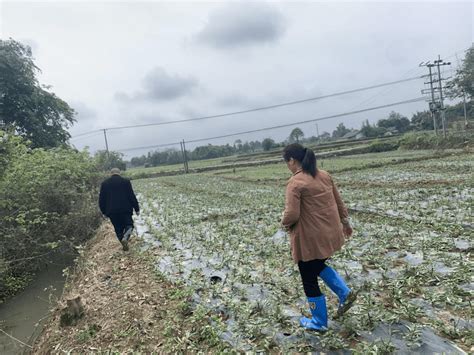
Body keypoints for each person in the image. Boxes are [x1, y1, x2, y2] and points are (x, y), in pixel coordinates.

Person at [281, 143, 356, 331]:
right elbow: (339, 201)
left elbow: (292, 215)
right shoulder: (324, 175)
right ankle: (344, 293)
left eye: (287, 162)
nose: (287, 166)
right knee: (317, 265)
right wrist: (345, 223)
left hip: (310, 238)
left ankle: (319, 322)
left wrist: (282, 221)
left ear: (292, 160)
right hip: (330, 233)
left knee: (308, 276)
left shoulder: (295, 183)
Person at [99, 168, 140, 251]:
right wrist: (136, 208)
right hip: (125, 209)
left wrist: (103, 212)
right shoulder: (126, 182)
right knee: (129, 225)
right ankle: (126, 237)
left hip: (112, 211)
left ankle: (123, 244)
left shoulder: (104, 183)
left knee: (118, 229)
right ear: (119, 173)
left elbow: (101, 199)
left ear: (110, 174)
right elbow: (131, 196)